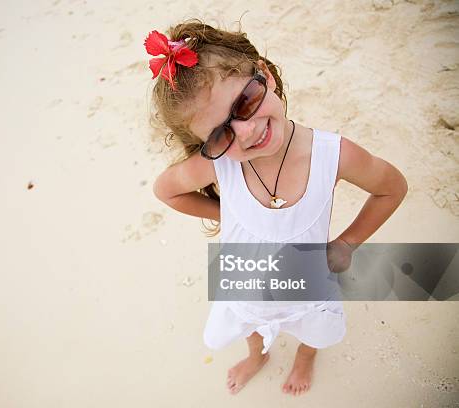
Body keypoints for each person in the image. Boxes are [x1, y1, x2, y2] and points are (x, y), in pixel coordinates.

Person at [147, 19, 408, 396]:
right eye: (221, 134)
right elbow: (166, 191)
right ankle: (258, 355)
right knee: (249, 320)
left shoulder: (333, 155)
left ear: (265, 74)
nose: (247, 131)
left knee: (313, 324)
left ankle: (305, 356)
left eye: (246, 103)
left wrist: (347, 244)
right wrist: (227, 214)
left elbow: (391, 189)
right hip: (247, 277)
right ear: (205, 143)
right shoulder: (219, 164)